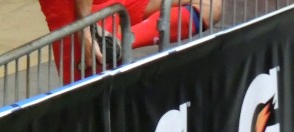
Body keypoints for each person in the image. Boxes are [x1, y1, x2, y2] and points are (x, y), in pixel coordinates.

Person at [37, 0, 222, 84]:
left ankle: (120, 41)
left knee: (209, 5)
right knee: (89, 103)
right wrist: (85, 28)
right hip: (75, 9)